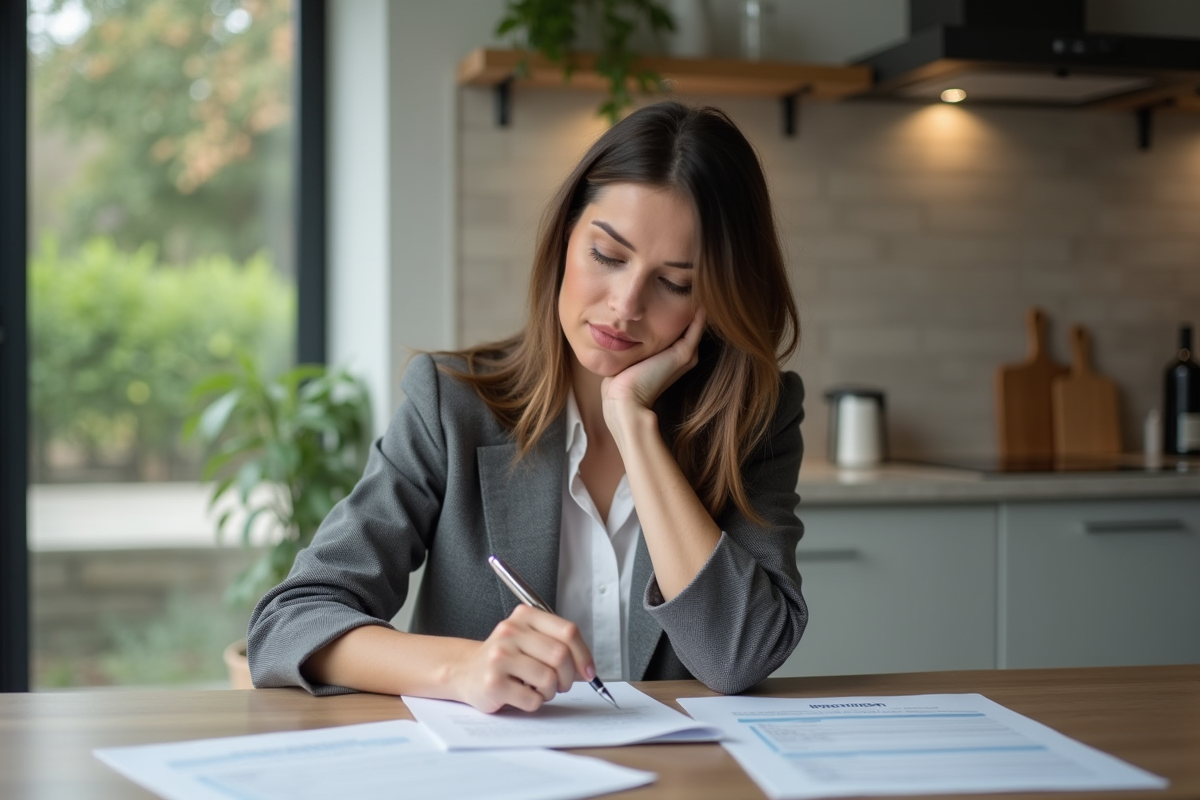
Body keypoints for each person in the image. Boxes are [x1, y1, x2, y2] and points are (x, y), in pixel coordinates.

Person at [247, 101, 807, 712]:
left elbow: (741, 656)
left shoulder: (757, 416)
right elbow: (289, 623)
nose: (625, 306)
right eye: (608, 256)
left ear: (719, 298)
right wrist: (461, 668)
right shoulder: (450, 403)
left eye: (675, 283)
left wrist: (634, 426)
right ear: (566, 236)